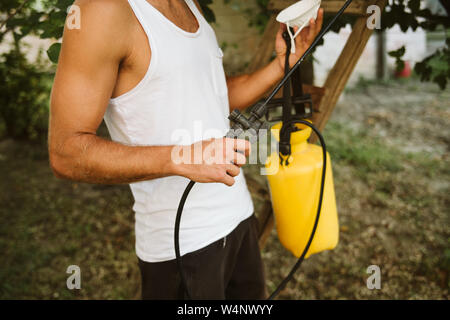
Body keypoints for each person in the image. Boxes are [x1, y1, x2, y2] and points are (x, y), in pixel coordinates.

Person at [49, 0, 323, 299]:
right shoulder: (102, 10)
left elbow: (213, 94)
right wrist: (181, 157)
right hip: (183, 247)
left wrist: (283, 62)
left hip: (239, 218)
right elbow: (67, 152)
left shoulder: (189, 4)